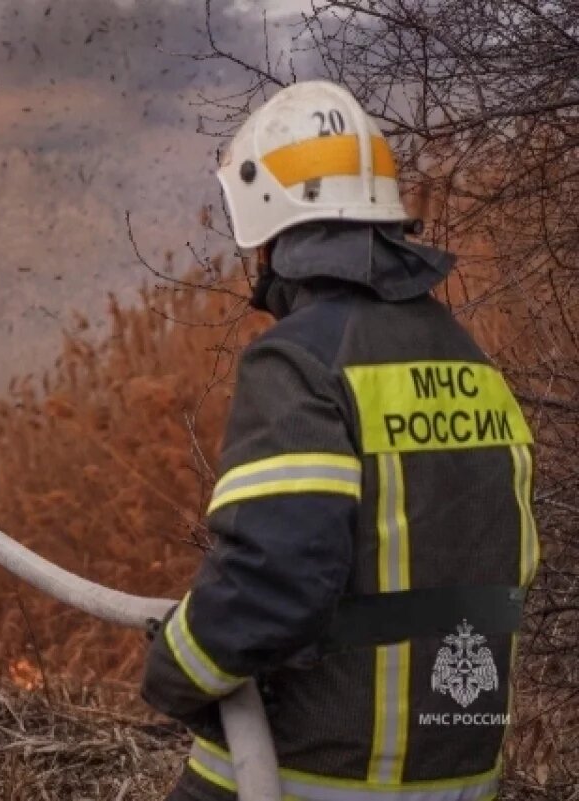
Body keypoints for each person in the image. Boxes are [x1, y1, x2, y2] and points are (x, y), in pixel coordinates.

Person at [141, 81, 539, 801]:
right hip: (462, 774)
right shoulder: (475, 366)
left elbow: (275, 577)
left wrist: (176, 669)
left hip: (313, 770)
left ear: (270, 224)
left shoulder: (299, 361)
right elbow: (517, 557)